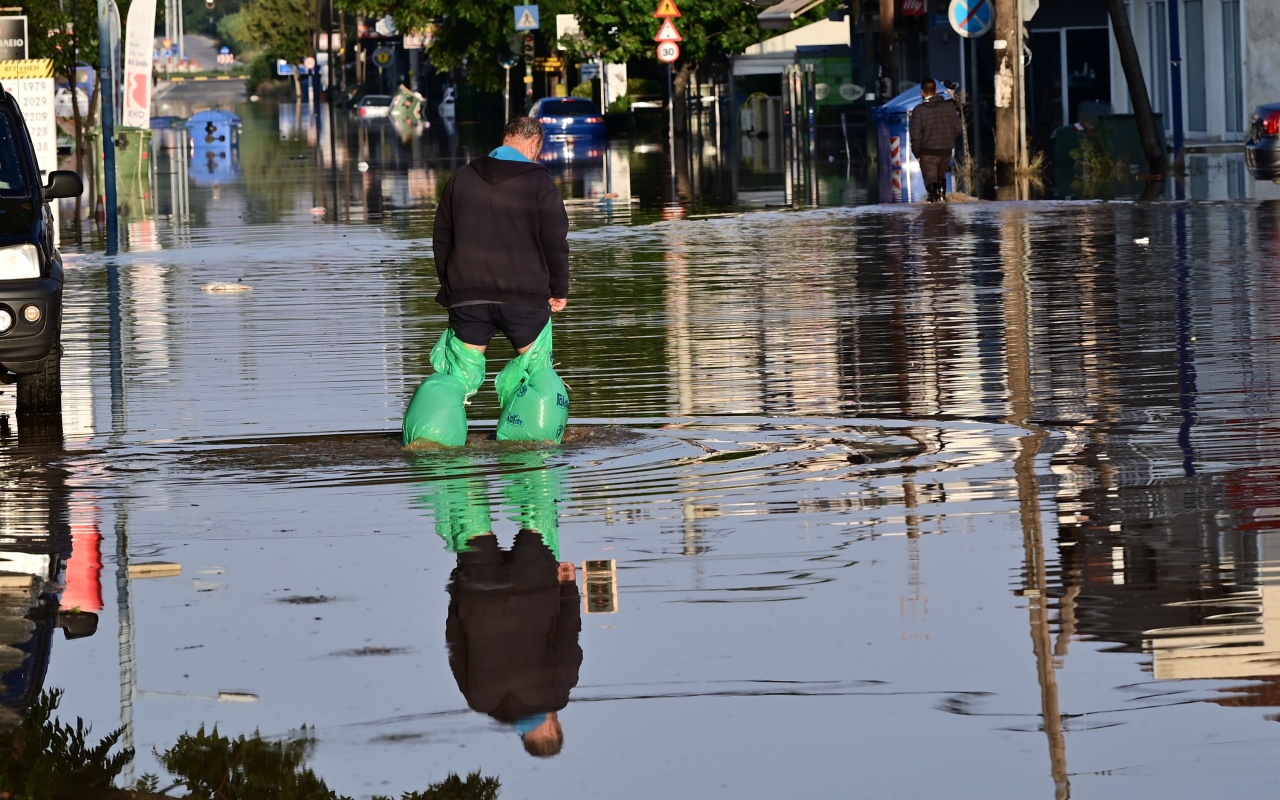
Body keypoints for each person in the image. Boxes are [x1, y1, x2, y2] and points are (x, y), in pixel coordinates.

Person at [432, 117, 569, 357]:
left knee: (459, 376)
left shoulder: (462, 177)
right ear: (534, 142)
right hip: (525, 297)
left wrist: (451, 286)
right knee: (534, 373)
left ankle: (445, 393)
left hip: (467, 295)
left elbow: (442, 238)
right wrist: (559, 290)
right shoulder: (539, 182)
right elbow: (554, 242)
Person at [908, 79, 963, 203]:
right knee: (941, 176)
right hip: (945, 151)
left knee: (931, 182)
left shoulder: (919, 110)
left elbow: (915, 135)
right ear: (936, 91)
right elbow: (958, 129)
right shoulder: (949, 107)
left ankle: (935, 206)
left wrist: (917, 153)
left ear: (922, 92)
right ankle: (943, 201)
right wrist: (947, 139)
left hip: (927, 153)